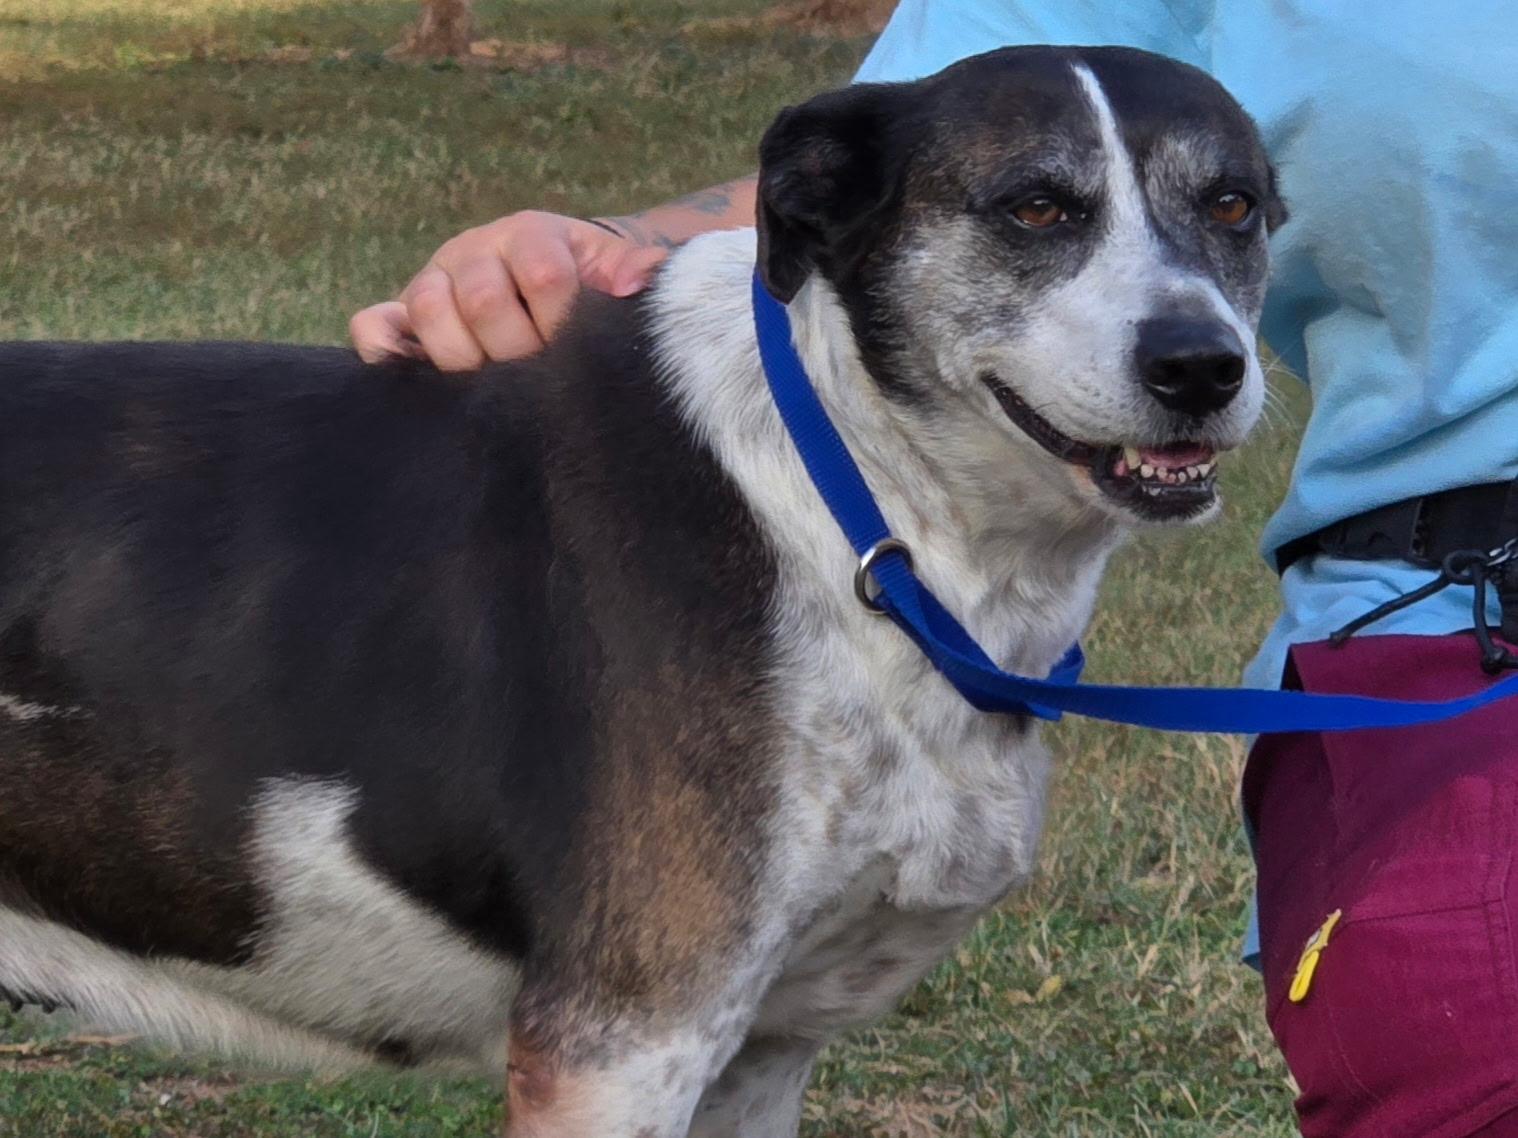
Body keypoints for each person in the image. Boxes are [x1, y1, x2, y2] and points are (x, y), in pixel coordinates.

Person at [350, 3, 1518, 1134]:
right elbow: (890, 165)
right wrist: (593, 251)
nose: (1192, 318)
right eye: (1042, 212)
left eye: (1224, 211)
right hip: (1453, 612)